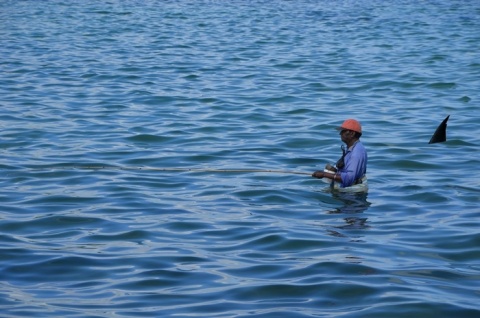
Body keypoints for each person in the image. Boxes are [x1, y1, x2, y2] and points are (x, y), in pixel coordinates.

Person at [312, 119, 367, 188]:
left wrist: (324, 174)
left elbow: (348, 179)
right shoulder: (351, 148)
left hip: (353, 192)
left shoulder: (356, 153)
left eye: (343, 131)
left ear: (352, 133)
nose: (340, 134)